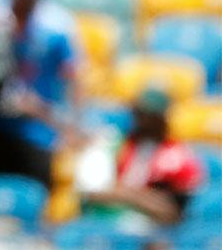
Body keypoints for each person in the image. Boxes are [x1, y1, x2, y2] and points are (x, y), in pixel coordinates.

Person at [0, 0, 81, 185]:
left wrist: (71, 126)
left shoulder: (56, 26)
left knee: (37, 188)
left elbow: (73, 77)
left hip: (39, 127)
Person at [84, 89, 205, 225]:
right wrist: (138, 197)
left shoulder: (177, 154)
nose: (142, 120)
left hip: (153, 230)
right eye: (139, 113)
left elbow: (172, 211)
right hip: (107, 223)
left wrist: (125, 194)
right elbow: (93, 192)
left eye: (149, 115)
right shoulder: (113, 143)